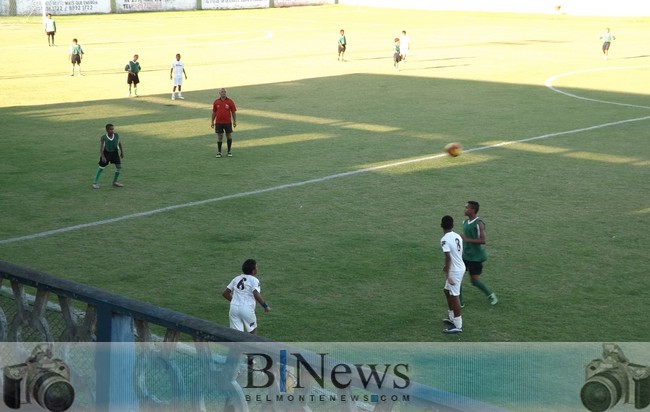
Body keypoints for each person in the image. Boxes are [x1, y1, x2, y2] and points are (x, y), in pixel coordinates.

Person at [461, 201, 498, 306]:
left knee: (474, 281)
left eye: (467, 207)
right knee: (456, 278)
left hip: (475, 258)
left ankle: (491, 295)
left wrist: (466, 239)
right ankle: (459, 303)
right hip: (465, 256)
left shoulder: (479, 223)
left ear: (472, 210)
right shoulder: (464, 222)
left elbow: (483, 240)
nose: (465, 209)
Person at [222, 259, 270, 335]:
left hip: (233, 308)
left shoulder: (236, 278)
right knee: (252, 332)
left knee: (236, 334)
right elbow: (256, 294)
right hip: (246, 309)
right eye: (256, 267)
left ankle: (236, 347)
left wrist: (235, 301)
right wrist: (265, 306)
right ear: (253, 270)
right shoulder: (254, 280)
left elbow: (225, 294)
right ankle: (251, 347)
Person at [440, 215, 466, 334]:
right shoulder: (457, 236)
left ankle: (458, 325)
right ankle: (452, 317)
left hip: (455, 271)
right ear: (452, 225)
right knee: (446, 291)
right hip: (459, 267)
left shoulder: (444, 239)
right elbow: (459, 252)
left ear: (441, 225)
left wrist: (448, 274)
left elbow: (448, 257)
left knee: (455, 296)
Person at [92, 124, 124, 189]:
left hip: (115, 153)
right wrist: (103, 156)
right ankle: (94, 183)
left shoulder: (116, 135)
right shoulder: (103, 137)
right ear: (107, 130)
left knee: (119, 167)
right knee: (101, 168)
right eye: (110, 129)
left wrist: (122, 152)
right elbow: (101, 148)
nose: (112, 130)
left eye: (113, 129)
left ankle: (114, 182)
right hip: (106, 154)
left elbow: (119, 143)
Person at [210, 88, 237, 158]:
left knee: (229, 136)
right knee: (219, 137)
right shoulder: (216, 102)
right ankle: (219, 152)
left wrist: (234, 121)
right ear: (219, 93)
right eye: (222, 92)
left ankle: (229, 151)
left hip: (227, 122)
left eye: (224, 92)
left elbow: (233, 112)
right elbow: (214, 112)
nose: (223, 93)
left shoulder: (230, 101)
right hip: (218, 122)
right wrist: (212, 121)